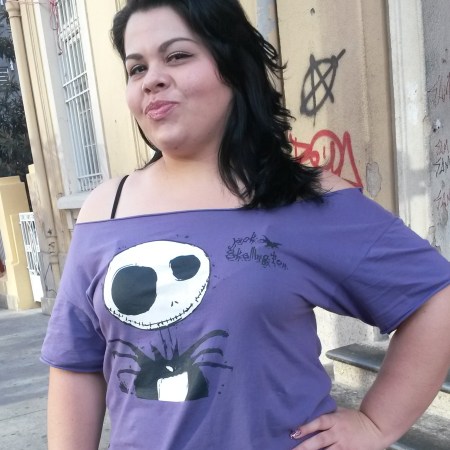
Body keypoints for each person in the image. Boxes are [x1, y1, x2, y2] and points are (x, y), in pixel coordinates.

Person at [41, 0, 450, 449]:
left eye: (177, 55)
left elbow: (436, 297)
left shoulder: (301, 198)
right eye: (136, 68)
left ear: (233, 64)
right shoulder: (106, 211)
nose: (152, 79)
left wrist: (376, 424)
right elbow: (76, 364)